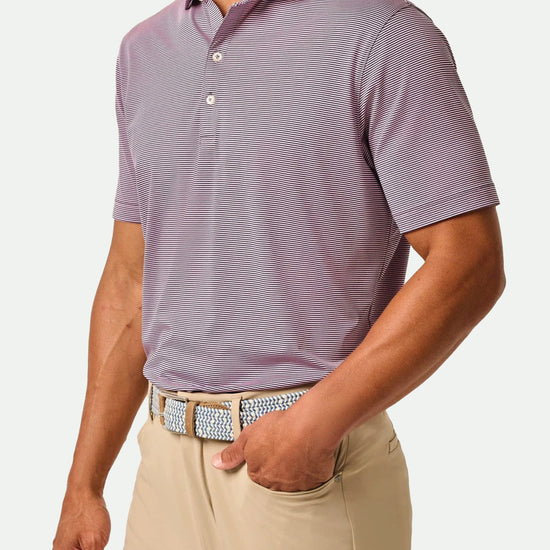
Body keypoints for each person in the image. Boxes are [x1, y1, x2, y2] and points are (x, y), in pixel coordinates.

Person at [52, 0, 505, 548]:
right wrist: (84, 484)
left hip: (308, 468)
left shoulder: (383, 32)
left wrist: (314, 426)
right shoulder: (143, 50)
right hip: (163, 471)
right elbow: (132, 281)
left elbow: (469, 260)